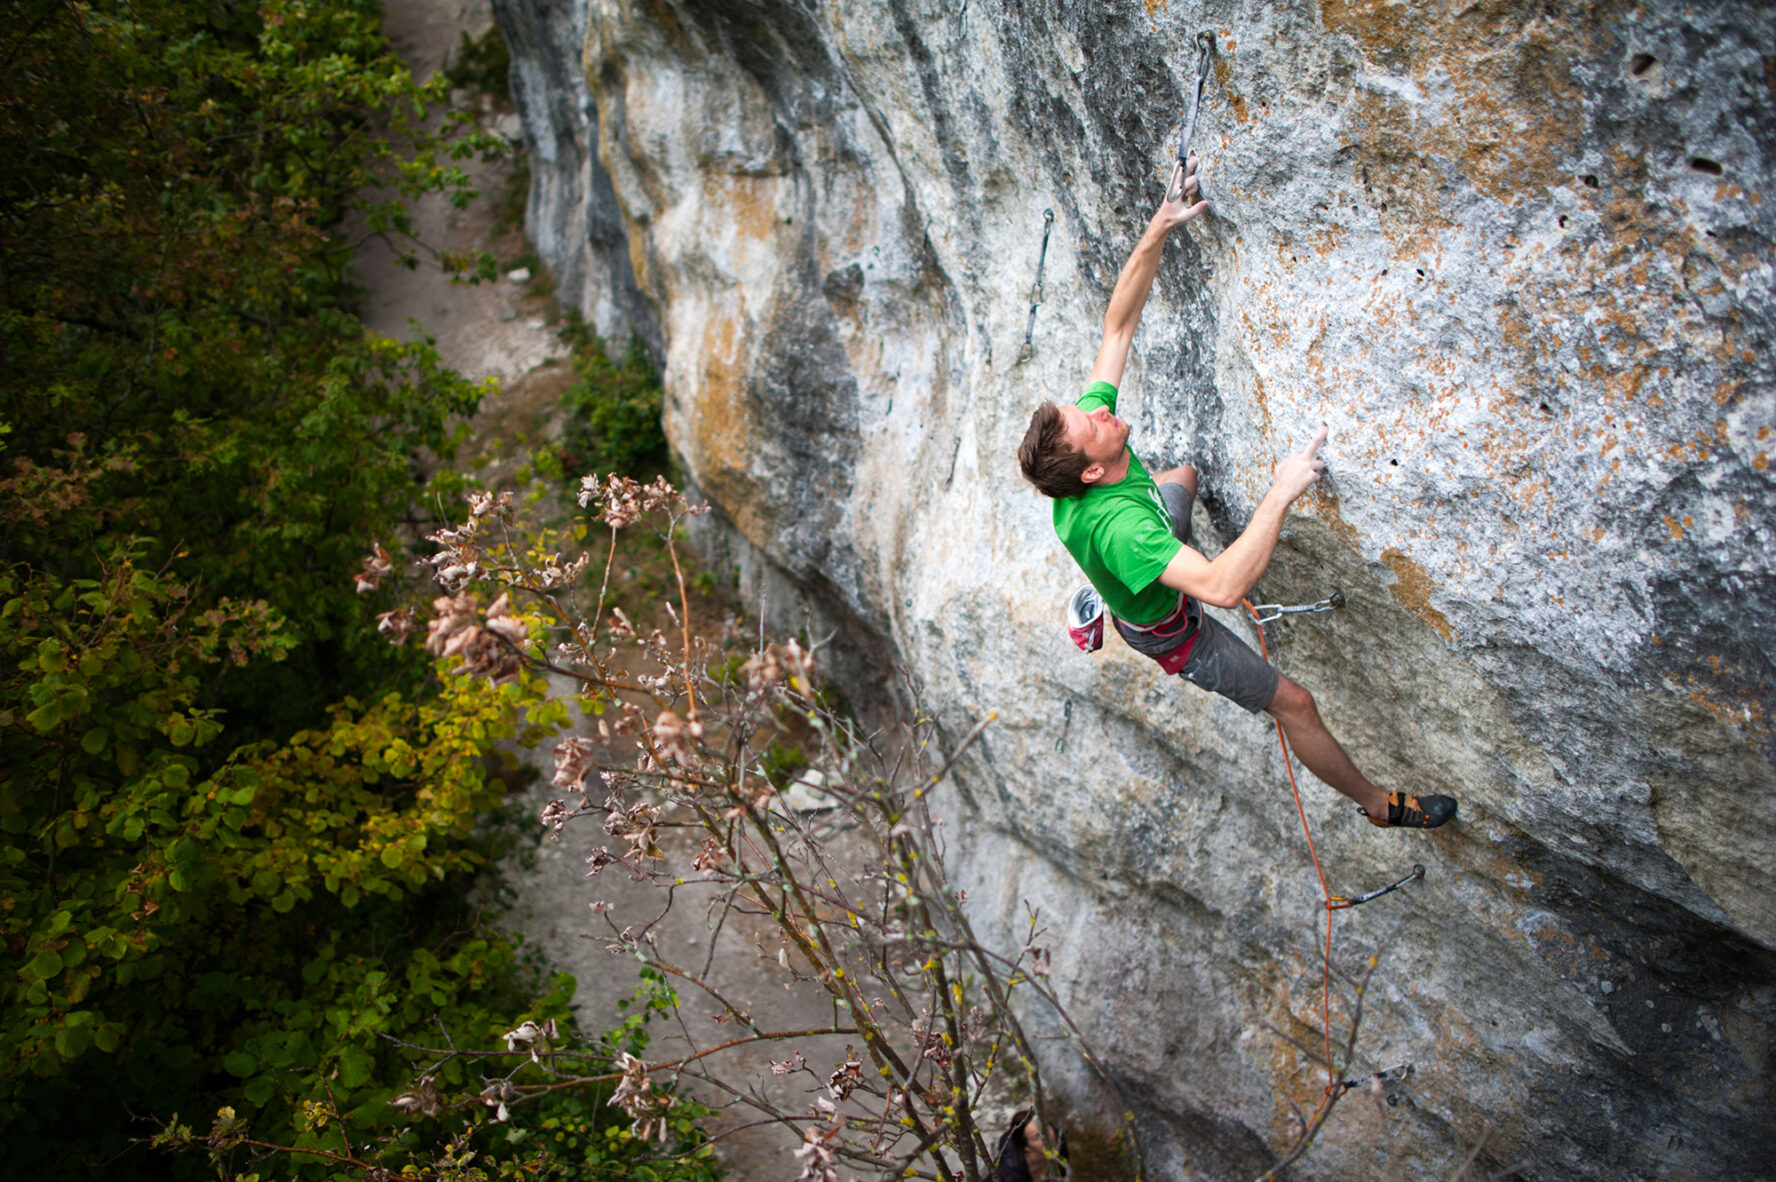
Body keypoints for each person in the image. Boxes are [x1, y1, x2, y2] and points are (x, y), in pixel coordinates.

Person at [1017, 155, 1456, 830]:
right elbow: (1221, 588)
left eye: (1092, 409)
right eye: (1093, 423)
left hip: (1138, 545)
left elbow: (1117, 327)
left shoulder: (1089, 458)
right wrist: (1280, 493)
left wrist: (1160, 225)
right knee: (1295, 704)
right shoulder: (1122, 530)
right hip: (1172, 629)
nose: (1101, 410)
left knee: (1182, 476)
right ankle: (1379, 806)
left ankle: (1107, 587)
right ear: (1092, 473)